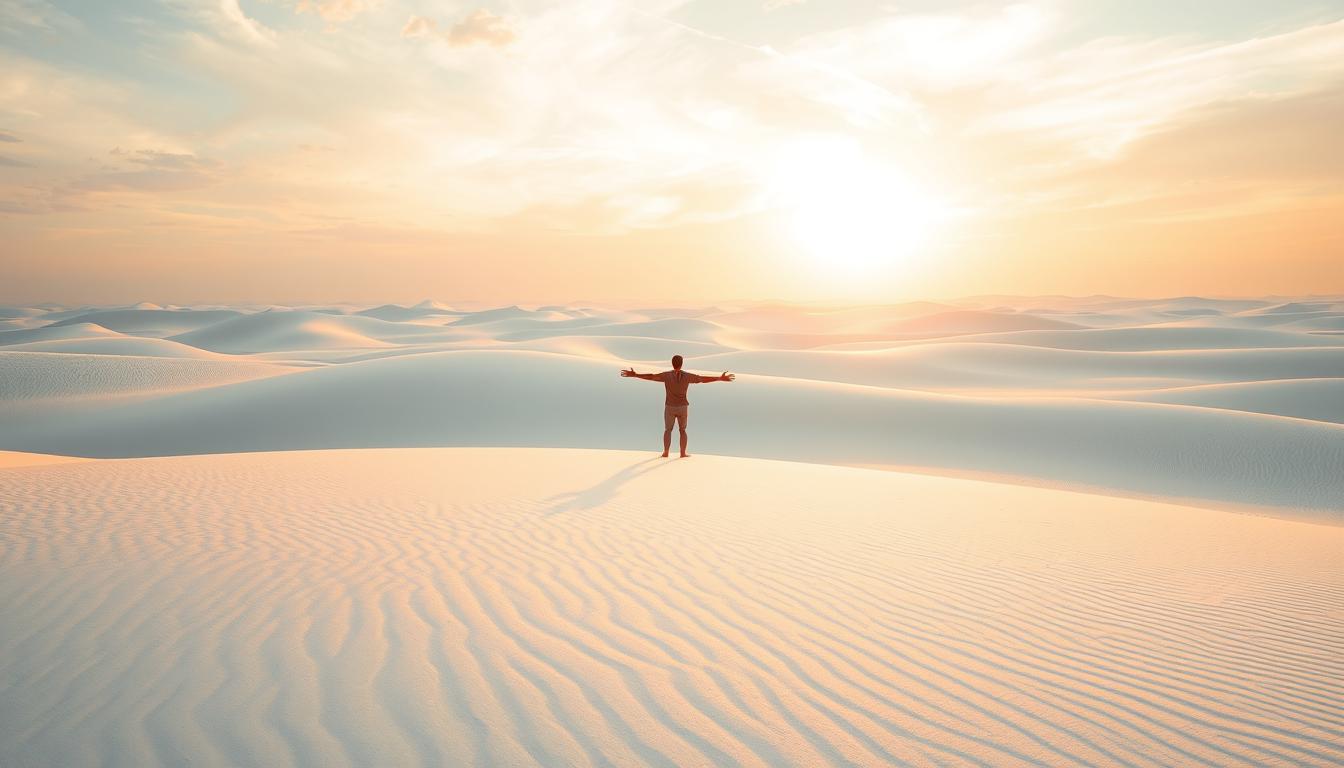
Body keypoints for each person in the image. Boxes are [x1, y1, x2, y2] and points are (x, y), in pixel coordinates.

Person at [620, 355, 735, 458]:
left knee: (668, 430)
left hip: (670, 406)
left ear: (672, 363)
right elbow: (701, 379)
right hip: (683, 407)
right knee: (682, 430)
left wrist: (635, 375)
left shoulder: (666, 375)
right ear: (682, 363)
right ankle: (683, 453)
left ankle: (666, 452)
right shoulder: (687, 376)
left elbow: (652, 376)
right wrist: (719, 378)